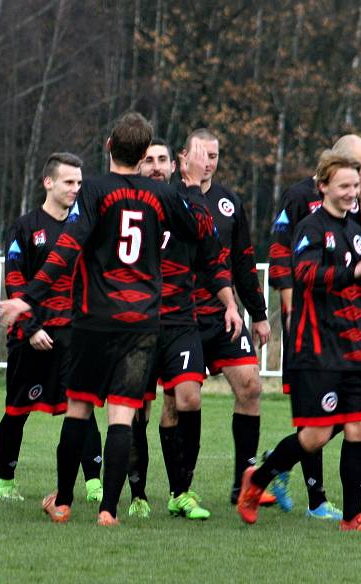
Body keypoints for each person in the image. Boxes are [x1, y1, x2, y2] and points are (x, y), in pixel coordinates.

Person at [0, 112, 217, 526]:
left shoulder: (93, 190)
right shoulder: (161, 195)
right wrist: (191, 184)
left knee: (78, 409)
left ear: (109, 146)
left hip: (95, 319)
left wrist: (28, 298)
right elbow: (202, 230)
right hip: (142, 323)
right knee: (122, 414)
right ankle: (109, 511)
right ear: (143, 152)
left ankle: (62, 502)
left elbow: (68, 247)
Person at [238, 151, 361, 534]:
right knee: (317, 435)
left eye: (355, 186)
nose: (351, 193)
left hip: (355, 346)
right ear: (323, 186)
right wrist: (353, 270)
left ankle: (353, 518)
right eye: (344, 186)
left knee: (359, 427)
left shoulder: (355, 225)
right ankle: (258, 479)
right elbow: (304, 272)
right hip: (319, 347)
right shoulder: (310, 226)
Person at [266, 134, 361, 519]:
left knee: (349, 422)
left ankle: (346, 513)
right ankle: (293, 481)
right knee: (317, 427)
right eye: (360, 169)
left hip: (351, 337)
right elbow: (286, 252)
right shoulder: (303, 201)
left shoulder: (352, 210)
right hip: (313, 333)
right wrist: (286, 299)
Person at [127, 139, 241, 520]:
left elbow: (212, 256)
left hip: (180, 319)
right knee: (137, 409)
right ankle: (138, 493)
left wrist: (229, 302)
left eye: (162, 160)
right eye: (148, 161)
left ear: (173, 167)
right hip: (137, 322)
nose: (156, 166)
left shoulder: (184, 203)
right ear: (137, 166)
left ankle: (182, 491)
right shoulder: (129, 204)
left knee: (188, 397)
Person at [0, 152, 103, 503]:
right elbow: (14, 278)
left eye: (79, 183)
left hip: (75, 332)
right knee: (17, 410)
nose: (76, 188)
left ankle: (93, 483)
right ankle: (6, 482)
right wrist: (29, 326)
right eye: (68, 182)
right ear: (48, 183)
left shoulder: (86, 227)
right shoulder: (26, 227)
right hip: (33, 334)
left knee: (83, 407)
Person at [185, 129, 273, 505]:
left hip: (226, 315)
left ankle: (244, 484)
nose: (209, 162)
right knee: (180, 400)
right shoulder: (173, 200)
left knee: (251, 386)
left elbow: (242, 262)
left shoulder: (229, 203)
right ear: (185, 157)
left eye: (215, 156)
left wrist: (259, 313)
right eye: (203, 154)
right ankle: (181, 488)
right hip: (182, 317)